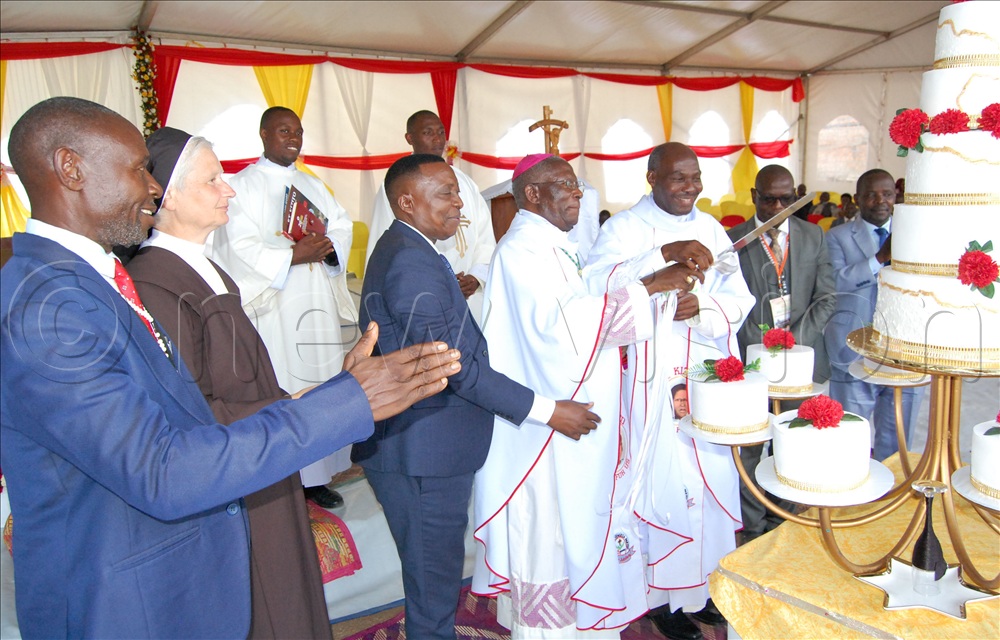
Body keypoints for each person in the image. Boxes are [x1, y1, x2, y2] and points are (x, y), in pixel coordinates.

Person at [0, 97, 461, 638]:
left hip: (173, 577)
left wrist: (332, 393)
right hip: (124, 600)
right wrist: (346, 402)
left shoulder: (92, 280)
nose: (151, 188)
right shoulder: (47, 306)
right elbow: (162, 467)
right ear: (70, 168)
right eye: (136, 169)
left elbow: (179, 415)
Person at [354, 153, 598, 639]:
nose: (459, 203)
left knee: (433, 575)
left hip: (423, 444)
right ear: (406, 201)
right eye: (444, 192)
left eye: (457, 191)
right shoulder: (410, 262)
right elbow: (454, 367)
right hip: (420, 451)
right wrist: (547, 411)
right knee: (433, 582)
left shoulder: (411, 248)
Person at [473, 154, 702, 637]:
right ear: (532, 194)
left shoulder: (556, 244)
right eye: (565, 185)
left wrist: (659, 261)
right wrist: (652, 288)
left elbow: (593, 291)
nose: (578, 193)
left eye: (577, 185)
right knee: (551, 538)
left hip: (573, 425)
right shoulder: (521, 251)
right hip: (547, 432)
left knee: (576, 530)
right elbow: (559, 332)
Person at [126, 127, 329, 637]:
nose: (230, 189)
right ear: (166, 195)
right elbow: (190, 414)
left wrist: (296, 405)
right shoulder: (156, 281)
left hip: (261, 457)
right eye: (212, 179)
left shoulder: (207, 268)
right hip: (232, 478)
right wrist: (295, 412)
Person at [585, 142, 755, 640]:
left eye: (696, 177)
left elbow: (738, 296)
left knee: (709, 480)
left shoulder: (709, 228)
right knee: (662, 479)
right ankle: (660, 598)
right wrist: (659, 276)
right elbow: (595, 288)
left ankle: (705, 591)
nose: (690, 188)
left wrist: (699, 309)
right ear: (652, 177)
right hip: (648, 379)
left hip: (704, 374)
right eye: (678, 178)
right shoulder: (622, 230)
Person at [211, 106, 354, 509]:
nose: (293, 138)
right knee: (284, 387)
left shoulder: (313, 185)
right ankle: (284, 477)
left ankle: (316, 477)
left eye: (299, 131)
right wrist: (293, 255)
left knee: (320, 384)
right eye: (284, 130)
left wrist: (326, 248)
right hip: (275, 307)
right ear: (263, 134)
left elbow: (341, 225)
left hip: (316, 305)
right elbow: (234, 247)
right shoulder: (242, 187)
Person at [727, 164, 836, 542]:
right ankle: (752, 531)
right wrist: (762, 349)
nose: (778, 206)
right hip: (750, 365)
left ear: (796, 196)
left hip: (802, 363)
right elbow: (728, 305)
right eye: (769, 198)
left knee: (794, 444)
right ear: (754, 196)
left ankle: (783, 527)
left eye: (786, 199)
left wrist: (791, 342)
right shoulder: (735, 239)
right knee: (751, 449)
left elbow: (827, 297)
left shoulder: (813, 236)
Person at [825, 169, 923, 461]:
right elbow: (836, 282)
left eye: (887, 194)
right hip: (852, 348)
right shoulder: (836, 237)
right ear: (856, 199)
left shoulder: (915, 236)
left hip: (903, 350)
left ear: (896, 196)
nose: (880, 201)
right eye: (871, 194)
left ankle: (892, 494)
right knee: (850, 431)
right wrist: (880, 258)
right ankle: (849, 492)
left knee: (897, 434)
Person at [365, 110, 496, 323]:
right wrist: (440, 281)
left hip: (470, 298)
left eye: (441, 132)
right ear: (410, 138)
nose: (437, 139)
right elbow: (387, 244)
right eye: (428, 132)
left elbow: (485, 239)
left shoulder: (466, 183)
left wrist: (475, 278)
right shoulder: (398, 183)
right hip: (422, 295)